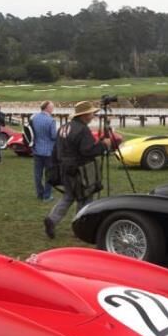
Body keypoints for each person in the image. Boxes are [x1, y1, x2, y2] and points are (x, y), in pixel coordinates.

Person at [44, 100, 111, 238]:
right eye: (91, 113)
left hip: (65, 169)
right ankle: (80, 227)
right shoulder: (82, 130)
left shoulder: (64, 128)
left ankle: (52, 219)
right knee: (85, 198)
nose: (92, 116)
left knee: (68, 196)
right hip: (81, 170)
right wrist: (104, 145)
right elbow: (87, 151)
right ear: (84, 115)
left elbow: (57, 150)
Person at [30, 100, 59, 200]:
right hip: (48, 151)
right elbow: (53, 136)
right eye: (52, 107)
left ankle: (39, 193)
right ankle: (47, 195)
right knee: (49, 174)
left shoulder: (35, 118)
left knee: (37, 174)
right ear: (47, 108)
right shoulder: (51, 120)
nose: (53, 109)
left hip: (37, 149)